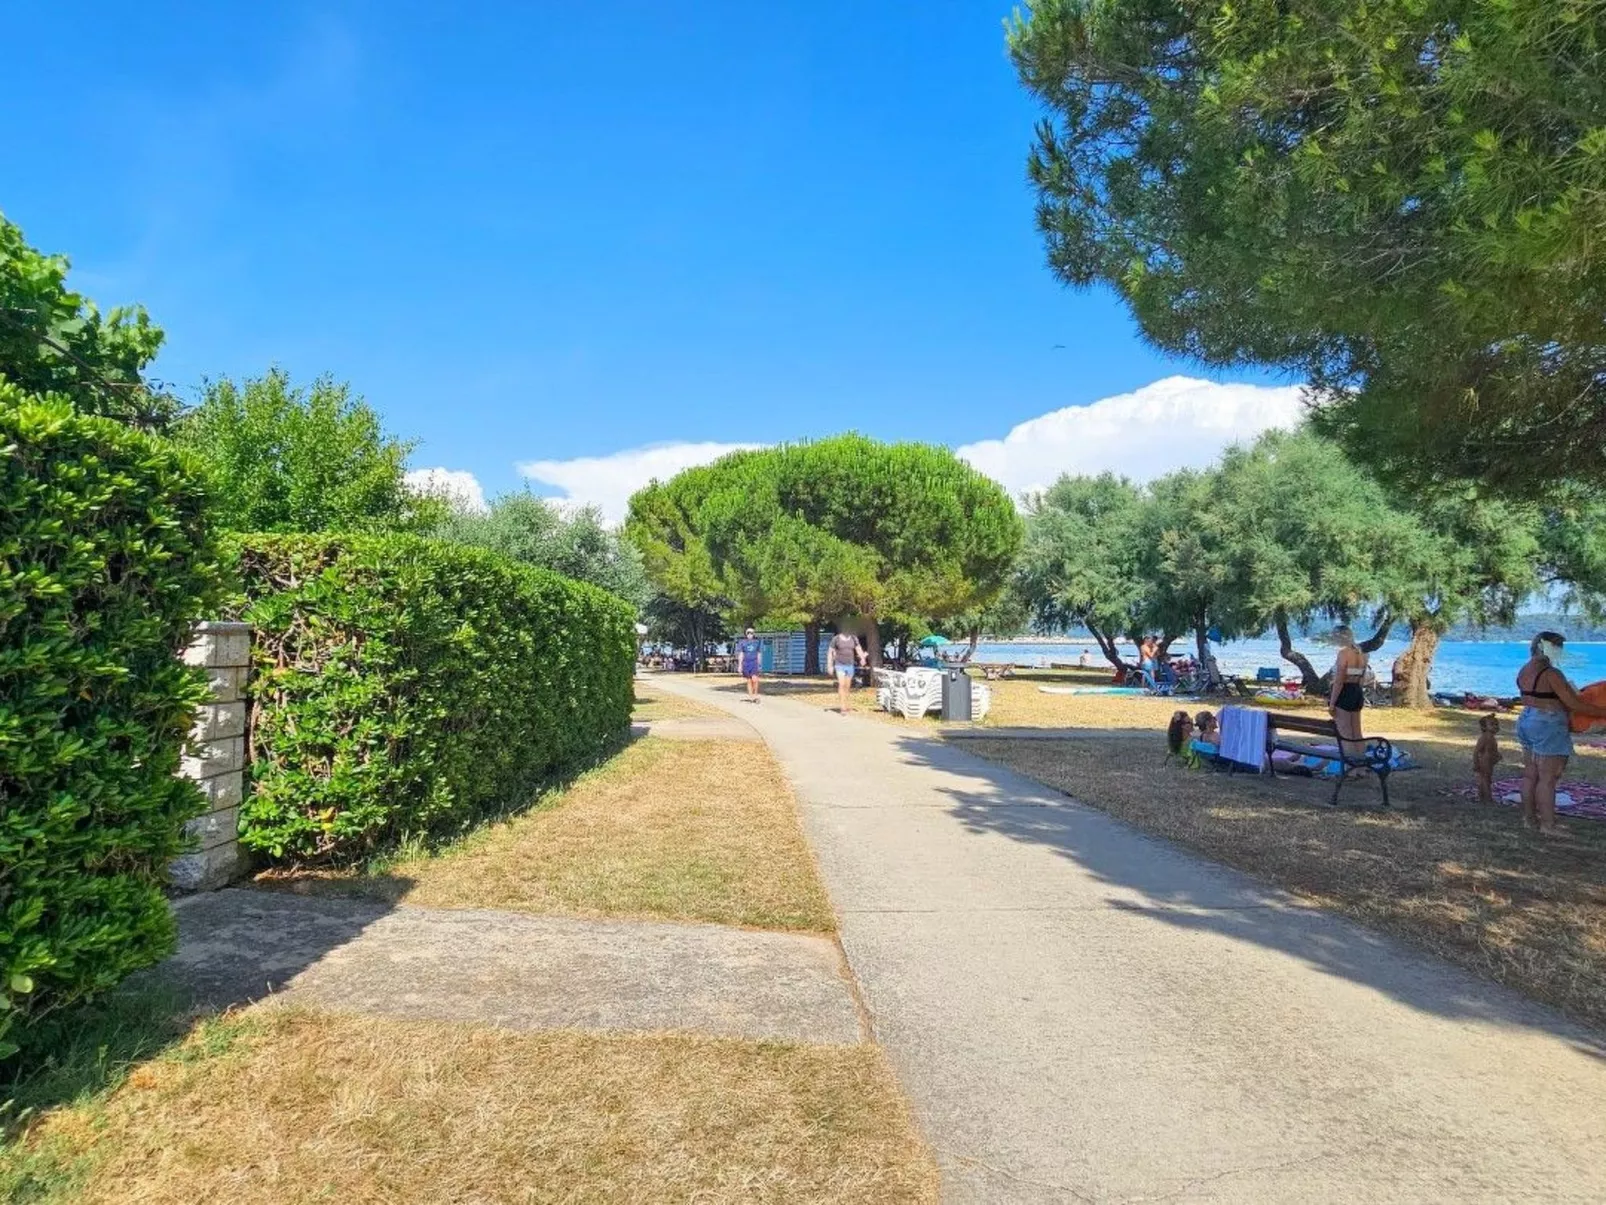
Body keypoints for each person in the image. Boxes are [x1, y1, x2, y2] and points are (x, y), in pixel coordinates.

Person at [1515, 631, 1606, 834]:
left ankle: (1528, 819)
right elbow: (1573, 704)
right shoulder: (1551, 674)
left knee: (1530, 775)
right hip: (1548, 724)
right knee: (1548, 777)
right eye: (1558, 647)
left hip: (1526, 720)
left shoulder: (1524, 670)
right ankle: (1548, 825)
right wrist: (1602, 712)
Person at [1327, 626, 1369, 772]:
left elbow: (1339, 680)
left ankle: (1350, 769)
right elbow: (1362, 680)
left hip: (1344, 693)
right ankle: (1361, 768)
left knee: (1345, 734)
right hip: (1357, 692)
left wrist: (1332, 703)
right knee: (1357, 733)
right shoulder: (1362, 654)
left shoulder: (1343, 654)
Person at [826, 628, 868, 715]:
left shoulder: (853, 638)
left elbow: (858, 648)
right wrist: (829, 666)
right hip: (839, 664)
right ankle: (842, 707)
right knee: (841, 684)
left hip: (850, 665)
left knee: (847, 686)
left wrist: (862, 658)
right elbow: (830, 652)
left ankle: (846, 704)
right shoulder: (836, 639)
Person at [736, 626, 763, 703]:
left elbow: (759, 654)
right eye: (748, 633)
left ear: (753, 634)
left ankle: (755, 695)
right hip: (746, 663)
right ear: (746, 634)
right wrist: (740, 665)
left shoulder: (757, 642)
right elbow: (741, 654)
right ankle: (751, 697)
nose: (750, 634)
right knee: (749, 680)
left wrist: (759, 664)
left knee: (755, 679)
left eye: (751, 633)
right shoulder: (742, 642)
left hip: (754, 662)